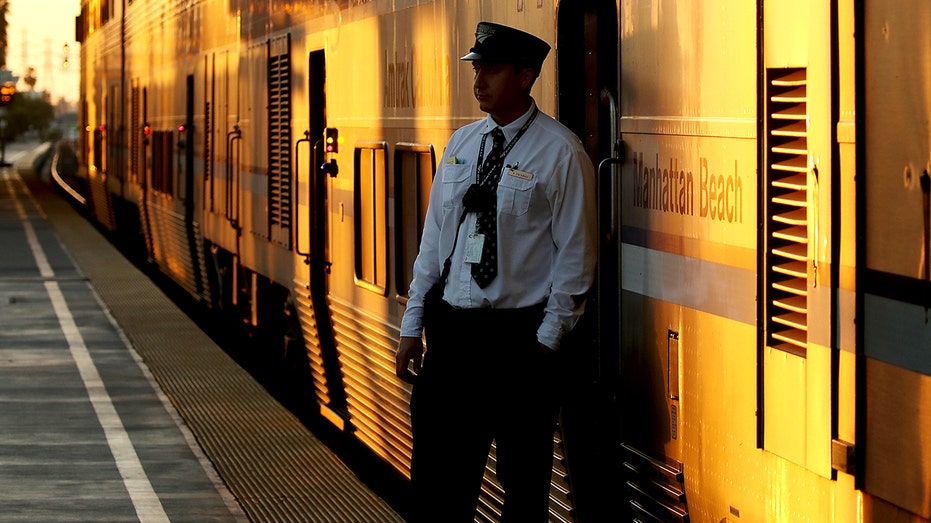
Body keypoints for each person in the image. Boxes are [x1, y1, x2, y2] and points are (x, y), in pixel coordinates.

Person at [395, 21, 596, 522]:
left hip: (518, 343)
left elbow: (576, 260)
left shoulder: (562, 152)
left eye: (492, 69)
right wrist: (412, 325)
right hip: (454, 338)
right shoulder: (463, 143)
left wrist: (545, 344)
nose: (479, 78)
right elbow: (433, 242)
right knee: (438, 487)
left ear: (526, 76)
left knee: (524, 491)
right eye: (476, 67)